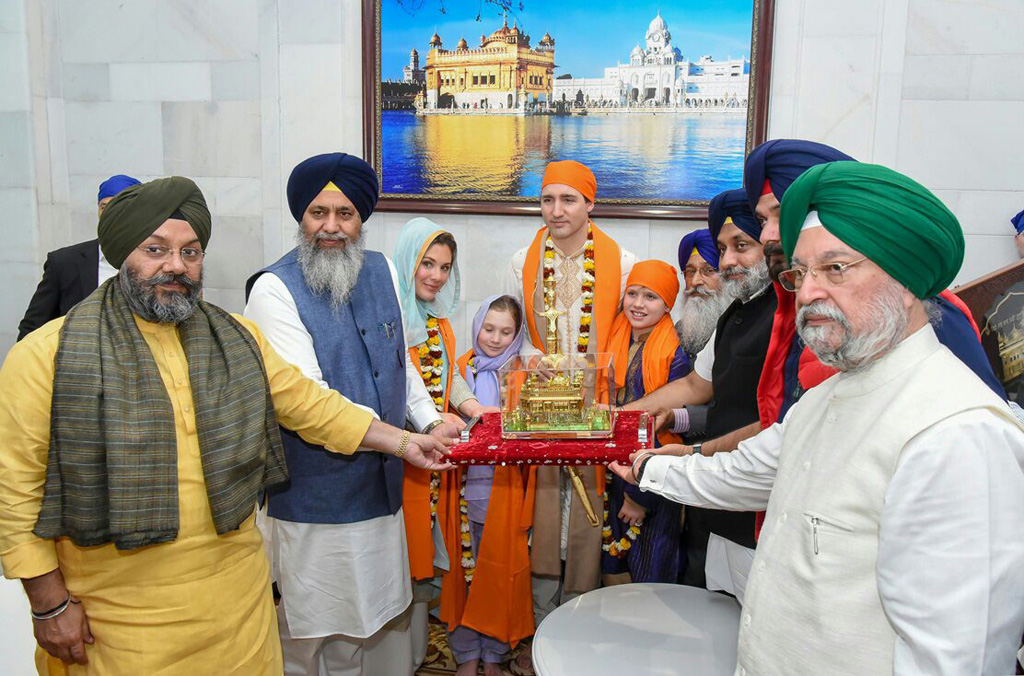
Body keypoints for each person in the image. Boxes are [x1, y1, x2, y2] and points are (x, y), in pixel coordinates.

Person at [0, 176, 452, 675]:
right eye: (156, 250)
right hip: (118, 617)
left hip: (237, 606)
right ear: (122, 253)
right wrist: (49, 605)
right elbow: (16, 495)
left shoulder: (234, 337)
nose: (175, 265)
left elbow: (311, 406)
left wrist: (406, 440)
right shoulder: (46, 356)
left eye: (190, 251)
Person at [613, 161, 1024, 675]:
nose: (806, 292)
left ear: (903, 277)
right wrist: (647, 468)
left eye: (835, 268)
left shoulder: (958, 433)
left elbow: (954, 660)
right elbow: (746, 473)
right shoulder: (827, 397)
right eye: (801, 273)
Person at [243, 153, 456, 676]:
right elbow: (307, 405)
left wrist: (427, 421)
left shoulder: (382, 268)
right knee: (302, 639)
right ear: (301, 217)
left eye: (345, 214)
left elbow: (397, 359)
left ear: (362, 218)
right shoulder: (273, 289)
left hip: (377, 498)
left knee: (358, 635)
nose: (332, 227)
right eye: (319, 213)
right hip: (312, 503)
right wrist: (403, 442)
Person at [746, 138, 1005, 539]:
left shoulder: (958, 413)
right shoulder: (830, 326)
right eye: (762, 219)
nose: (767, 235)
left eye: (834, 268)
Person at [505, 160, 636, 631]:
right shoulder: (523, 259)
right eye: (547, 199)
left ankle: (579, 624)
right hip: (542, 400)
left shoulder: (620, 262)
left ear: (590, 204)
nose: (556, 211)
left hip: (596, 399)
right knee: (543, 509)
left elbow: (625, 335)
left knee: (585, 510)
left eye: (568, 199)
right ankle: (542, 621)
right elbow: (517, 335)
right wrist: (534, 359)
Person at [623, 189, 774, 591]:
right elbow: (695, 384)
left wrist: (692, 451)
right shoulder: (734, 314)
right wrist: (621, 416)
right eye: (723, 249)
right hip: (715, 497)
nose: (727, 263)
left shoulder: (786, 313)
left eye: (741, 246)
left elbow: (780, 422)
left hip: (760, 505)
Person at [393, 218, 491, 668]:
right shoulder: (390, 319)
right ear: (407, 263)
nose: (435, 275)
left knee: (429, 565)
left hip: (437, 459)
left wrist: (477, 412)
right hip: (401, 459)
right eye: (426, 264)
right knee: (402, 564)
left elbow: (450, 378)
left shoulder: (440, 322)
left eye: (445, 267)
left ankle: (416, 656)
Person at [442, 295, 534, 676]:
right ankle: (466, 652)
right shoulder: (458, 367)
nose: (494, 339)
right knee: (464, 572)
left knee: (500, 574)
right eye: (488, 328)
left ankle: (494, 653)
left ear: (517, 336)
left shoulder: (525, 371)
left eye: (506, 332)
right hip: (462, 490)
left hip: (506, 491)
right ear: (477, 325)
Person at [600, 260, 687, 584]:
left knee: (650, 567)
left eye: (650, 296)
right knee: (613, 564)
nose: (637, 304)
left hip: (656, 474)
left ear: (667, 303)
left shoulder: (677, 349)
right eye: (633, 293)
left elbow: (676, 421)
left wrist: (640, 495)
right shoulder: (615, 336)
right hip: (615, 470)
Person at [18, 174, 141, 339]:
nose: (110, 214)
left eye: (120, 206)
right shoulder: (65, 262)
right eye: (104, 207)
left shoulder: (162, 261)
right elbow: (33, 327)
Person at [666, 228, 732, 440]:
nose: (695, 282)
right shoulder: (679, 329)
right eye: (690, 271)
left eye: (708, 271)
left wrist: (676, 418)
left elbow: (740, 411)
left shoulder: (739, 331)